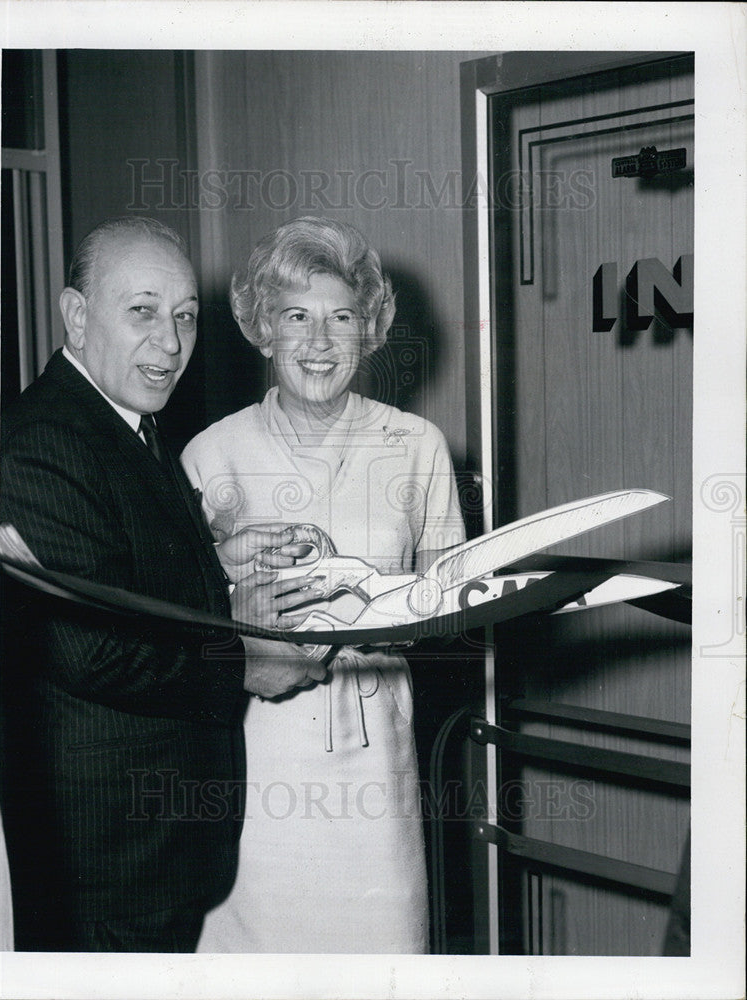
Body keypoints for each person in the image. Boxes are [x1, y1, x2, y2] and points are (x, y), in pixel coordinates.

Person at [0, 216, 324, 952]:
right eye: (142, 311)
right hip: (105, 864)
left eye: (184, 317)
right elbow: (93, 648)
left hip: (151, 853)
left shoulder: (121, 423)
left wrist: (217, 560)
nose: (171, 344)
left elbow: (118, 574)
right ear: (76, 316)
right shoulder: (40, 442)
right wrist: (247, 662)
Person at [182, 216, 465, 953]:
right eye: (296, 317)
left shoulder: (416, 447)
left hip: (376, 768)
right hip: (258, 768)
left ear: (368, 329)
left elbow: (457, 605)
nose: (318, 341)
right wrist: (226, 577)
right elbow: (178, 630)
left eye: (340, 317)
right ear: (262, 329)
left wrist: (386, 603)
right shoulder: (213, 453)